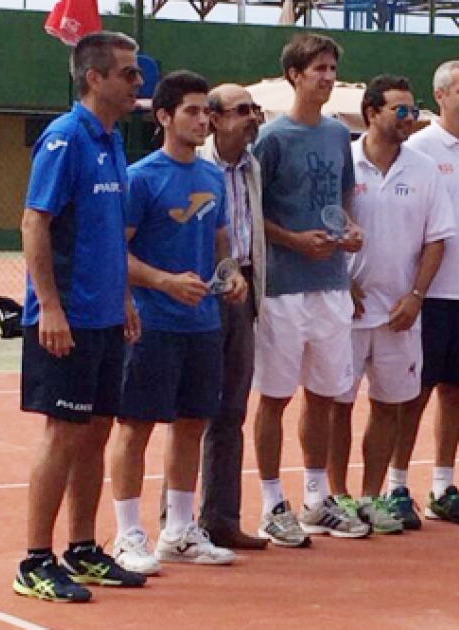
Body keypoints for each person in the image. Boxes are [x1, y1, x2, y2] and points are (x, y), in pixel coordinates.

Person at [14, 31, 146, 603]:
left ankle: (84, 549)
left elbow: (108, 235)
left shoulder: (112, 141)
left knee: (96, 433)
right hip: (64, 316)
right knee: (63, 433)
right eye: (130, 74)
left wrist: (122, 300)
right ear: (96, 78)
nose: (139, 82)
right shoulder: (65, 139)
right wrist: (50, 306)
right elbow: (34, 224)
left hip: (104, 317)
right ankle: (35, 561)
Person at [109, 71, 245, 575]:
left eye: (206, 111)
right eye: (191, 111)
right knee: (136, 427)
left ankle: (179, 533)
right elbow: (114, 254)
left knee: (192, 425)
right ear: (164, 116)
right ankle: (126, 535)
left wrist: (231, 278)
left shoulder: (213, 177)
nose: (203, 119)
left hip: (203, 325)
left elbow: (221, 246)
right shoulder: (141, 177)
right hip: (152, 324)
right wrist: (165, 282)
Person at [251, 33, 371, 547]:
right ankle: (271, 504)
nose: (327, 77)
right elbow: (255, 214)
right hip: (282, 289)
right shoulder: (271, 140)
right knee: (276, 398)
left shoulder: (337, 135)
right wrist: (294, 240)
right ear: (295, 76)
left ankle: (317, 500)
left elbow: (341, 197)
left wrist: (349, 230)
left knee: (325, 395)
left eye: (332, 69)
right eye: (319, 68)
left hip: (330, 287)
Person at [326, 75, 454, 535]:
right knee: (336, 405)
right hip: (347, 313)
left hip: (400, 315)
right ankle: (336, 496)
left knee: (389, 407)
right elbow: (326, 224)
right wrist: (342, 282)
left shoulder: (424, 170)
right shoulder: (343, 163)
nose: (410, 117)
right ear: (371, 113)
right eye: (399, 110)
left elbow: (437, 240)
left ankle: (372, 496)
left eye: (412, 109)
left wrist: (415, 296)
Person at [388, 60, 459, 528]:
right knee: (415, 391)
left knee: (456, 391)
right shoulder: (417, 148)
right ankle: (395, 487)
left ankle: (442, 486)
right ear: (440, 97)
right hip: (428, 295)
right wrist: (412, 290)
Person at [194, 83, 269, 550]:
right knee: (191, 411)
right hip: (199, 289)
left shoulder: (252, 167)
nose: (252, 117)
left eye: (254, 109)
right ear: (215, 118)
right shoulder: (194, 164)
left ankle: (222, 518)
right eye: (242, 110)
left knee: (232, 410)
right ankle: (178, 519)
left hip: (243, 289)